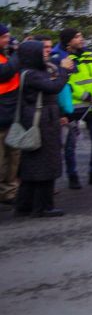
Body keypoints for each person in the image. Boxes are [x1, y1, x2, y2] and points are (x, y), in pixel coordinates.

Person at [12, 39, 72, 217]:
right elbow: (53, 87)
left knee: (33, 164)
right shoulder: (31, 74)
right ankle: (43, 206)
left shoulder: (32, 71)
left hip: (40, 119)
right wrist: (62, 70)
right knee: (46, 163)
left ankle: (25, 204)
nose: (46, 52)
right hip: (42, 122)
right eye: (42, 50)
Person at [52, 29, 92, 189]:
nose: (81, 39)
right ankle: (73, 176)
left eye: (81, 36)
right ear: (68, 41)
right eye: (77, 37)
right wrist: (85, 96)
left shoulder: (89, 54)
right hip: (73, 107)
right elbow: (66, 82)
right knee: (70, 144)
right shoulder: (61, 58)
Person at [0, 23, 21, 205]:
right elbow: (4, 73)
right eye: (4, 37)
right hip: (2, 115)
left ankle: (10, 192)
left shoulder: (5, 57)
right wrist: (16, 53)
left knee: (13, 156)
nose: (8, 40)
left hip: (10, 115)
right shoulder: (7, 59)